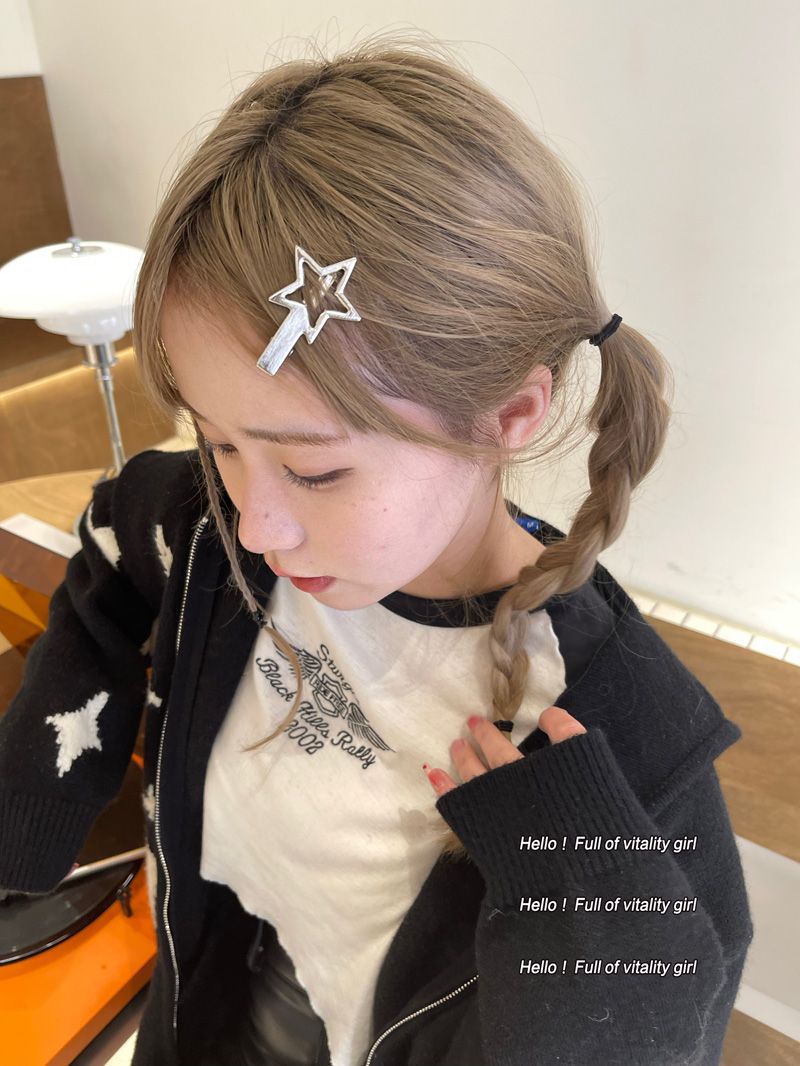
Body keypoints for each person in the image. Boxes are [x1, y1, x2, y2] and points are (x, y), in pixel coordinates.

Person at [0, 30, 753, 1066]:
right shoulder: (204, 526)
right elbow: (112, 545)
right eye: (220, 443)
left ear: (507, 414)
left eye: (315, 471)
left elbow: (662, 1023)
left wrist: (579, 914)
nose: (255, 524)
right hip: (205, 1006)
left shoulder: (623, 741)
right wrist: (33, 802)